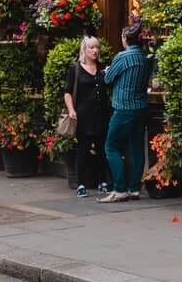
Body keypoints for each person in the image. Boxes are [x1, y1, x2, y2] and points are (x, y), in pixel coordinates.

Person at [100, 24, 152, 202]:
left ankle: (120, 189)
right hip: (141, 107)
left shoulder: (122, 57)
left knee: (111, 146)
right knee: (137, 148)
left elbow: (107, 79)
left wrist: (108, 71)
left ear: (125, 39)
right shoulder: (146, 57)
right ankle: (135, 189)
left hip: (123, 107)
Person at [64, 36, 110, 198]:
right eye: (91, 48)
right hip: (83, 116)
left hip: (102, 115)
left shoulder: (103, 67)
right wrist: (71, 109)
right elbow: (68, 92)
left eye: (97, 47)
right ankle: (81, 183)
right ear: (84, 50)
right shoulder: (75, 69)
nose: (95, 50)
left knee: (102, 150)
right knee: (83, 150)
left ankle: (103, 181)